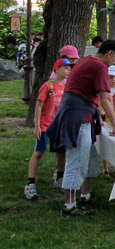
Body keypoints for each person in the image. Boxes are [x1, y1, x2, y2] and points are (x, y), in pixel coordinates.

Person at [45, 40, 115, 217]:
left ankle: (84, 195)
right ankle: (69, 206)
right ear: (109, 53)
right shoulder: (99, 66)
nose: (114, 63)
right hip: (77, 118)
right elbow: (105, 98)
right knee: (77, 159)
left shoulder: (88, 60)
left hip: (81, 114)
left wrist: (95, 114)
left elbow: (86, 92)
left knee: (89, 156)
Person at [24, 59, 73, 201]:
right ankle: (30, 183)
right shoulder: (47, 86)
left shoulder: (66, 87)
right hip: (45, 126)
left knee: (61, 152)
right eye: (65, 68)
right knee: (39, 152)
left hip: (58, 127)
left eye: (69, 68)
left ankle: (60, 176)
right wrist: (37, 125)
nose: (68, 71)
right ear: (57, 69)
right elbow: (39, 106)